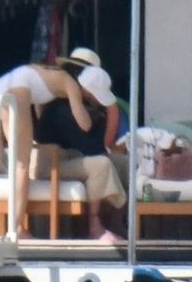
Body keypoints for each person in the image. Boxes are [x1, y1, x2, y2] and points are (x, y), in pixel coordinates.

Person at [0, 51, 104, 231]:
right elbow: (85, 125)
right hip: (15, 93)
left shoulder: (48, 72)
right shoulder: (71, 84)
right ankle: (17, 229)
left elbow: (40, 111)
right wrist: (93, 110)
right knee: (21, 166)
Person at [34, 56, 128, 241]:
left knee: (123, 162)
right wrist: (109, 115)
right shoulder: (62, 108)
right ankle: (95, 227)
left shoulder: (86, 108)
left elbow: (96, 145)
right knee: (101, 164)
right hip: (53, 164)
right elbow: (92, 148)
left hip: (73, 157)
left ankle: (117, 221)